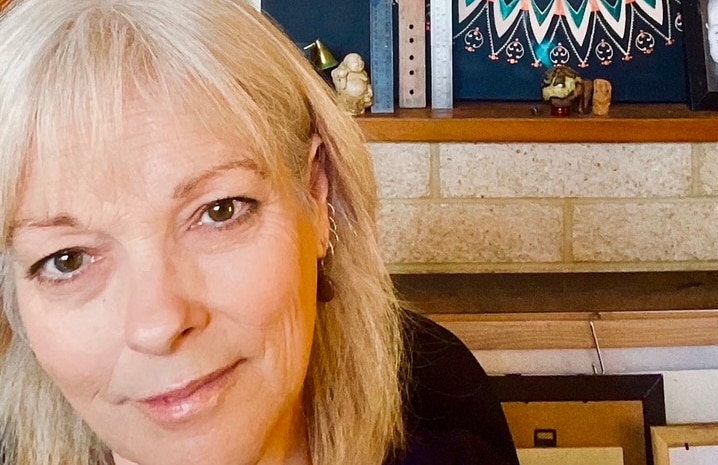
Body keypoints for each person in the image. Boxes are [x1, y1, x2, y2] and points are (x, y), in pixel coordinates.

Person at [0, 1, 516, 465]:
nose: (157, 325)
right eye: (66, 260)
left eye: (220, 210)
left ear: (316, 196)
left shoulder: (446, 420)